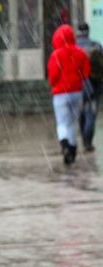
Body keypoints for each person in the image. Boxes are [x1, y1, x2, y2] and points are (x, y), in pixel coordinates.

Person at [47, 24, 90, 165]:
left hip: (60, 93)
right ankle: (72, 150)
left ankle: (64, 144)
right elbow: (86, 73)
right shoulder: (80, 53)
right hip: (77, 92)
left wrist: (55, 84)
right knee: (72, 122)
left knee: (62, 122)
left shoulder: (56, 55)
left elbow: (52, 76)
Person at [76, 22, 103, 151]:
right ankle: (88, 141)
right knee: (91, 114)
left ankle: (84, 136)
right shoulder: (96, 46)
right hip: (95, 85)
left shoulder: (74, 47)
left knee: (81, 113)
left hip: (78, 85)